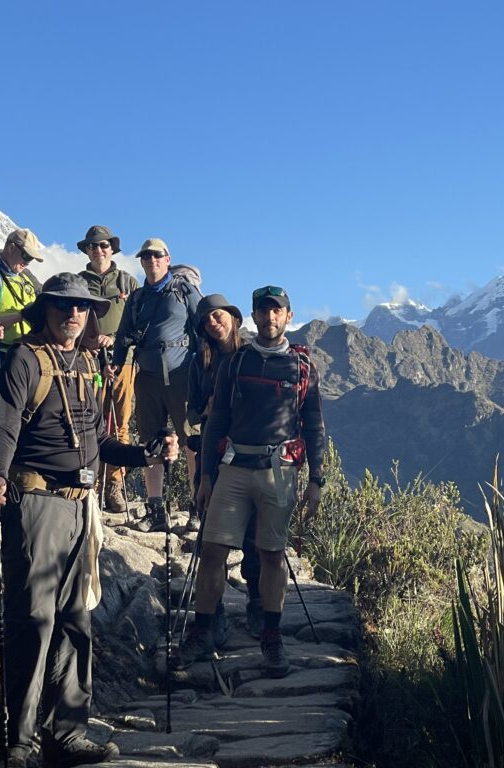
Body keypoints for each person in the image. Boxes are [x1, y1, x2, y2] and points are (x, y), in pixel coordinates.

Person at [0, 273, 179, 768]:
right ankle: (20, 743)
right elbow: (4, 423)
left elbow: (96, 443)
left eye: (83, 308)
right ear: (46, 309)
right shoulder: (26, 359)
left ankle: (67, 734)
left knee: (74, 619)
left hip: (78, 506)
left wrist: (146, 453)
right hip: (36, 501)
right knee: (33, 620)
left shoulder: (86, 363)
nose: (74, 314)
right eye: (64, 306)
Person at [173, 285, 326, 678]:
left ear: (288, 316)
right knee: (212, 551)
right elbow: (217, 421)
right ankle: (204, 631)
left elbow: (314, 425)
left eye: (277, 311)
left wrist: (317, 480)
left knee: (272, 556)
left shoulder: (301, 366)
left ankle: (271, 638)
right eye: (264, 311)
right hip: (234, 467)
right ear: (254, 317)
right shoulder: (236, 363)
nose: (270, 317)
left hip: (280, 471)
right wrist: (205, 476)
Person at [186, 294, 263, 639]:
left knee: (254, 536)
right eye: (207, 321)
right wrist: (207, 412)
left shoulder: (253, 356)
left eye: (218, 316)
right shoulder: (198, 362)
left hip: (249, 454)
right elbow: (190, 410)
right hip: (213, 453)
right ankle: (212, 614)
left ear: (233, 318)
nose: (213, 323)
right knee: (212, 539)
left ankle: (258, 604)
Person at [112, 238, 200, 532]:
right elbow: (124, 333)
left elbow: (202, 327)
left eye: (157, 256)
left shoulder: (184, 290)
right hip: (147, 376)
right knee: (150, 441)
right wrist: (117, 362)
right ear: (141, 262)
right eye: (146, 256)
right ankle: (155, 509)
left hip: (182, 375)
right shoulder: (137, 299)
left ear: (167, 258)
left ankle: (196, 510)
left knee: (192, 443)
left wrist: (207, 370)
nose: (151, 260)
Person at [77, 225, 140, 515]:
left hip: (123, 360)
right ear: (86, 250)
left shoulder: (127, 281)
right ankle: (89, 481)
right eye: (93, 246)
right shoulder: (78, 282)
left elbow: (140, 323)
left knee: (120, 424)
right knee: (89, 420)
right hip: (87, 360)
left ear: (112, 248)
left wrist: (116, 340)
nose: (98, 251)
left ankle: (114, 484)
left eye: (103, 246)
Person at [0, 227, 43, 380]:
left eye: (30, 259)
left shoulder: (26, 282)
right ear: (12, 247)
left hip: (26, 355)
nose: (27, 263)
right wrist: (21, 315)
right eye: (26, 256)